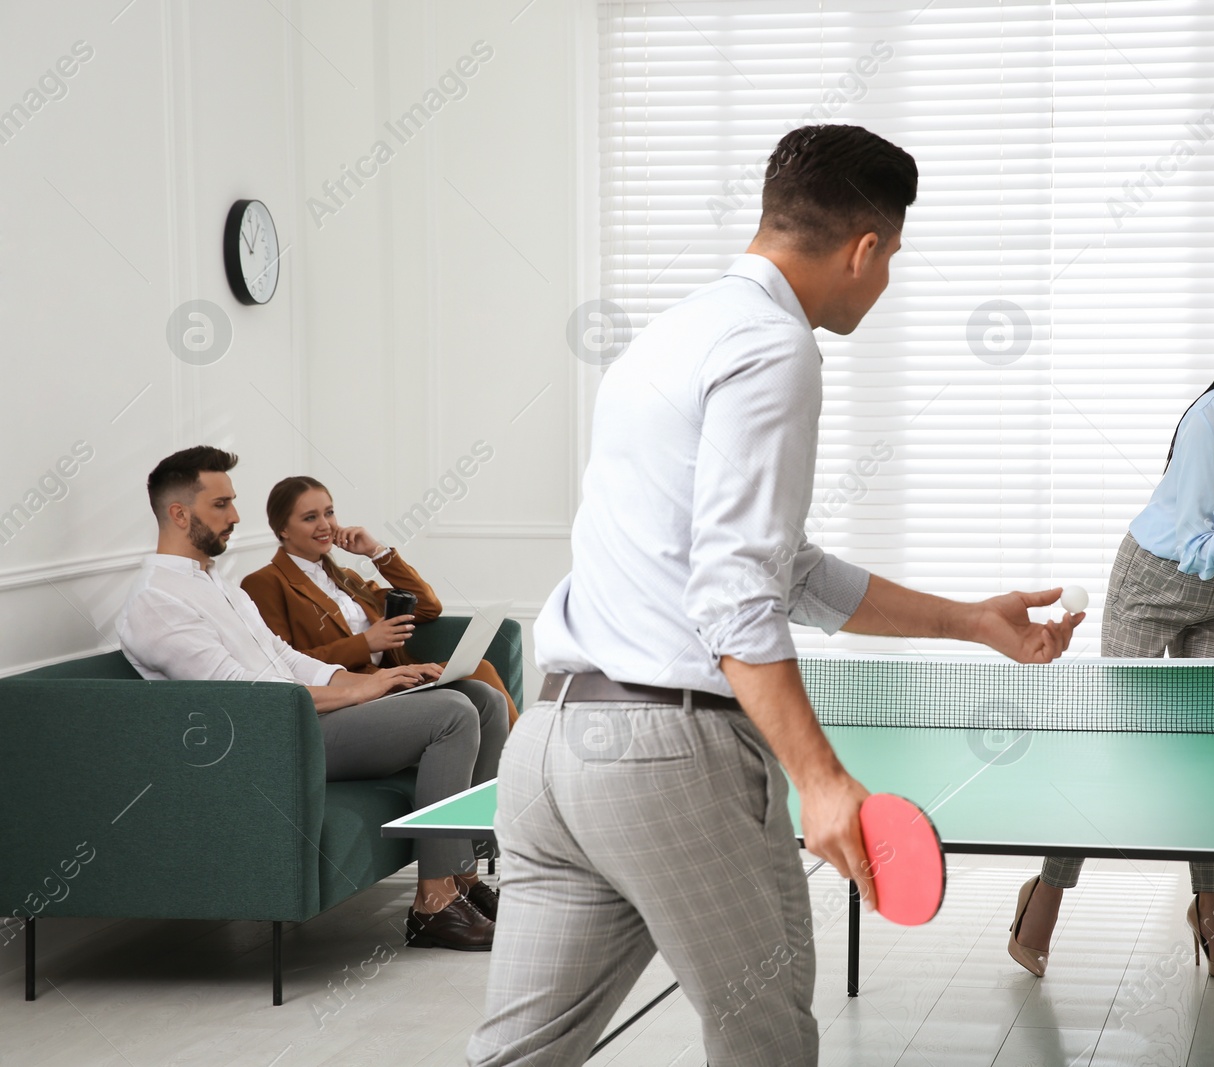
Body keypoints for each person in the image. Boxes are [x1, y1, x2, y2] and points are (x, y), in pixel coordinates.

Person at [467, 125, 1085, 1067]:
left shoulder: (672, 333)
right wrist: (821, 777)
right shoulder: (775, 348)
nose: (884, 286)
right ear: (864, 247)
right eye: (892, 262)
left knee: (516, 1054)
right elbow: (735, 592)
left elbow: (782, 567)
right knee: (766, 1043)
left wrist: (969, 621)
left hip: (550, 750)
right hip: (668, 759)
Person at [1005, 276, 1214, 983]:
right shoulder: (1208, 419)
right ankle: (1044, 902)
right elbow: (1194, 537)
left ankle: (1212, 918)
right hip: (1153, 584)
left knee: (1212, 756)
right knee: (1109, 743)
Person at [117, 447, 509, 951]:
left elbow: (285, 658)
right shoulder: (157, 602)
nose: (236, 516)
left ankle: (463, 877)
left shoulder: (219, 586)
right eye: (221, 505)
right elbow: (249, 700)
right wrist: (366, 687)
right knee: (450, 714)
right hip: (269, 741)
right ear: (178, 513)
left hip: (300, 719)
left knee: (480, 697)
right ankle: (433, 904)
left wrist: (375, 679)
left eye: (233, 502)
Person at [240, 475, 519, 727]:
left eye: (329, 513)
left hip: (393, 678)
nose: (325, 525)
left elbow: (426, 605)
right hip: (349, 693)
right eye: (310, 517)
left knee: (480, 671)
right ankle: (531, 767)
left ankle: (520, 768)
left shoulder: (346, 577)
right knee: (477, 684)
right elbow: (283, 664)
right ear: (283, 529)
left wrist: (377, 551)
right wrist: (366, 644)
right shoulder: (265, 583)